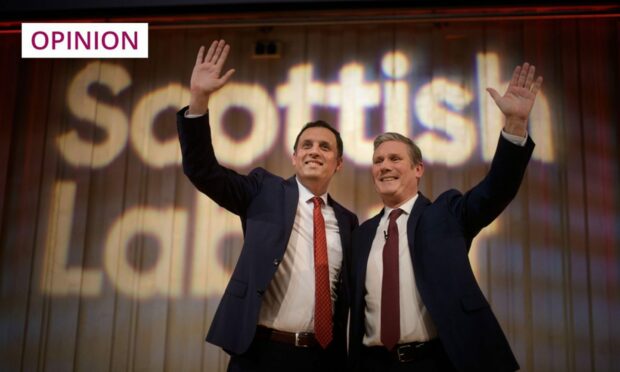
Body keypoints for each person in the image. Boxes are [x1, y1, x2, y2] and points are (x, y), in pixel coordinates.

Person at [176, 39, 358, 372]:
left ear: (338, 163)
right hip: (261, 354)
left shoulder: (347, 221)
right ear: (294, 156)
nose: (314, 151)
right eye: (306, 145)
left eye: (324, 147)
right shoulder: (264, 190)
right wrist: (199, 100)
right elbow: (202, 171)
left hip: (323, 359)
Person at [348, 62, 543, 371]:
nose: (384, 166)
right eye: (378, 160)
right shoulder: (361, 235)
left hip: (437, 361)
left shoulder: (446, 213)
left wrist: (515, 125)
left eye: (395, 158)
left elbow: (496, 190)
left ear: (418, 169)